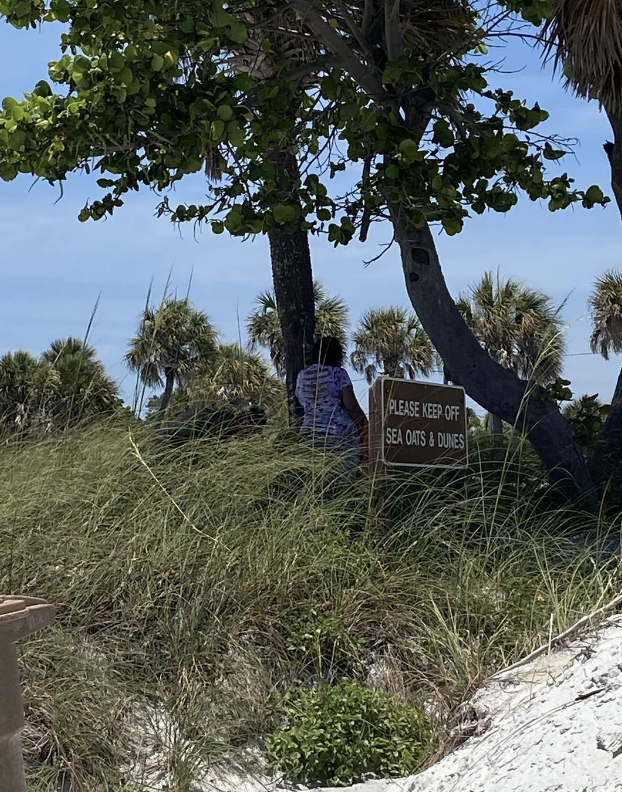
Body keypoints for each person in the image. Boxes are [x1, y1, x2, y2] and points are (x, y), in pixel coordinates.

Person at [295, 336, 368, 467]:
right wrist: (367, 427)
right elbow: (351, 407)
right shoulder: (338, 374)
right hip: (338, 435)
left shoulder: (302, 376)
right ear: (335, 355)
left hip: (308, 434)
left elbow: (303, 401)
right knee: (343, 477)